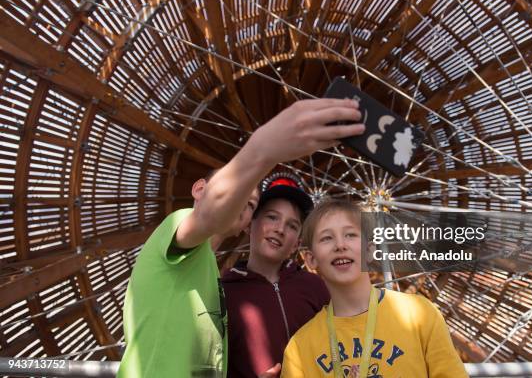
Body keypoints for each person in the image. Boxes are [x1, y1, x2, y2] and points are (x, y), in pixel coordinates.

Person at [116, 99, 365, 378]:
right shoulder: (175, 228)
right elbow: (211, 215)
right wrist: (263, 149)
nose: (239, 202)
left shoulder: (213, 286)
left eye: (249, 204)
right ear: (200, 189)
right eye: (268, 215)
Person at [281, 200, 468, 378]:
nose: (340, 245)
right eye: (327, 238)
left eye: (350, 235)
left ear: (370, 250)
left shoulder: (419, 315)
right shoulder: (300, 348)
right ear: (310, 259)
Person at [222, 172, 330, 377]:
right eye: (272, 217)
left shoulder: (315, 287)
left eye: (292, 225)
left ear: (297, 243)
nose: (280, 229)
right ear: (249, 225)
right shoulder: (223, 294)